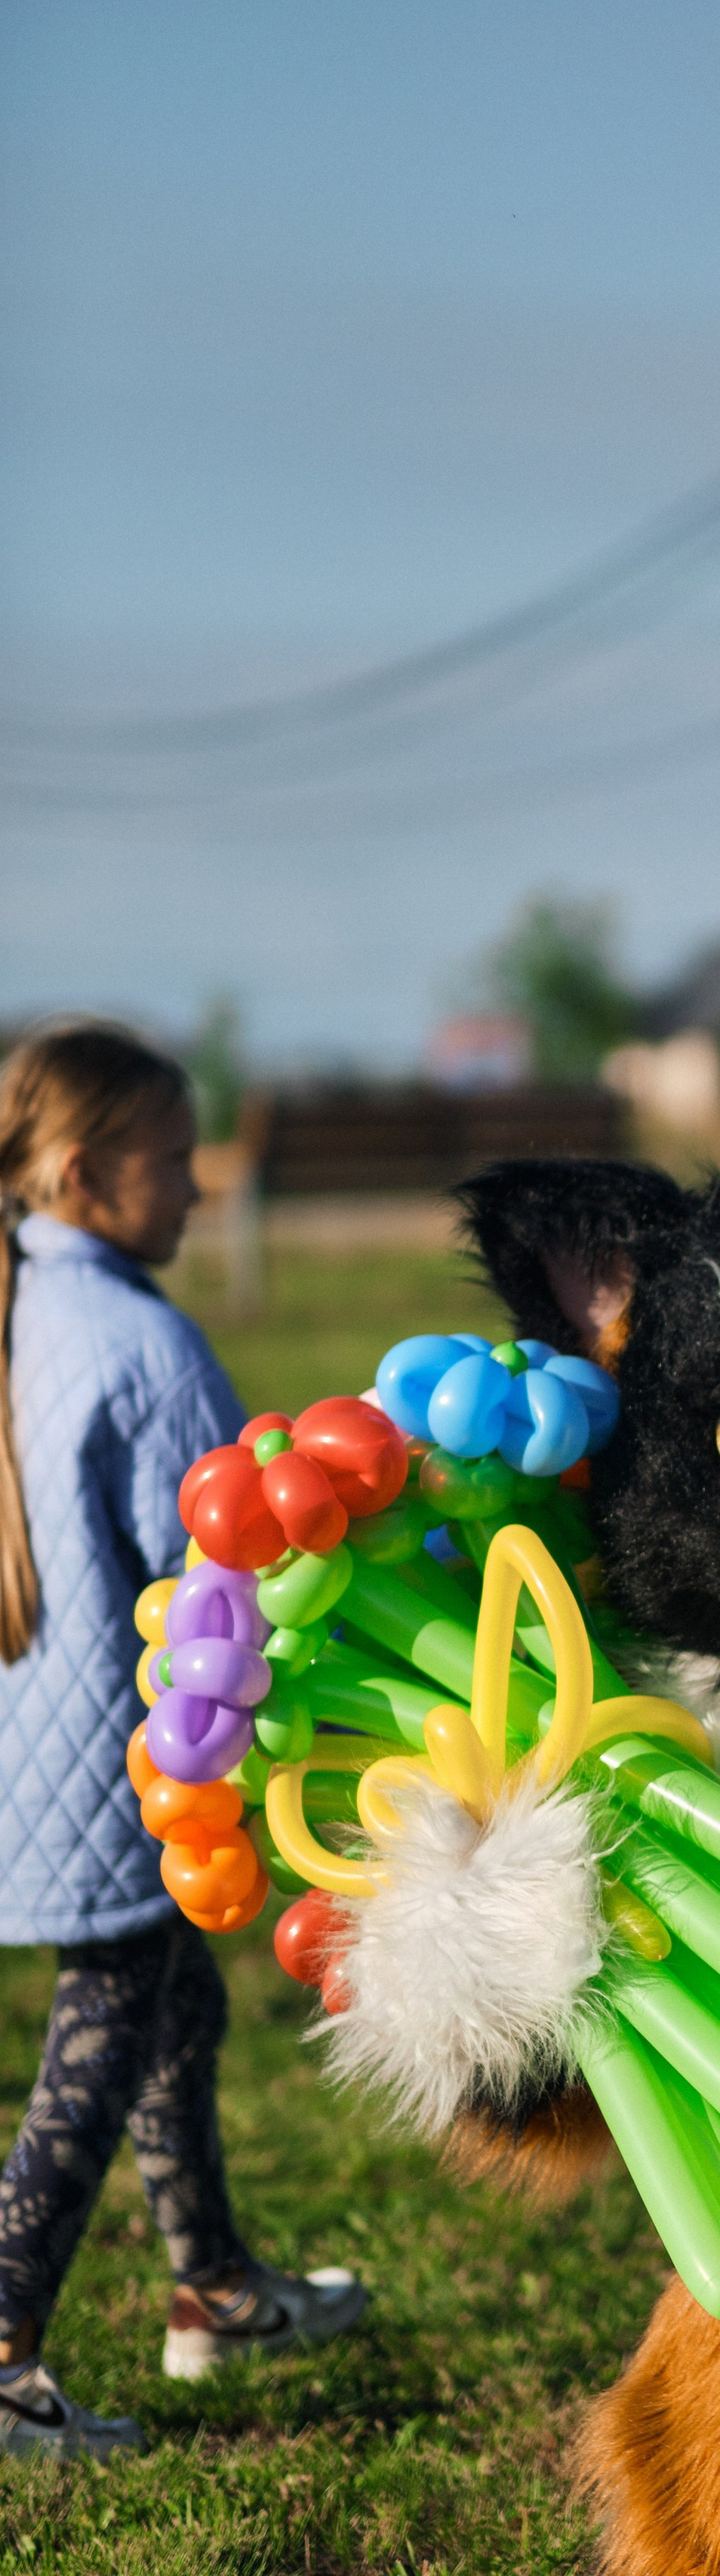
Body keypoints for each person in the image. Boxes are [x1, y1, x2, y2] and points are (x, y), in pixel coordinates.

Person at [0, 1021, 366, 2463]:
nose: (200, 1187)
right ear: (87, 1172)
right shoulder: (141, 1341)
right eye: (172, 1157)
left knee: (176, 2010)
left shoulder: (26, 1310)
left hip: (42, 1760)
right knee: (101, 2041)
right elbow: (223, 1580)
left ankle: (211, 2283)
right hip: (126, 1772)